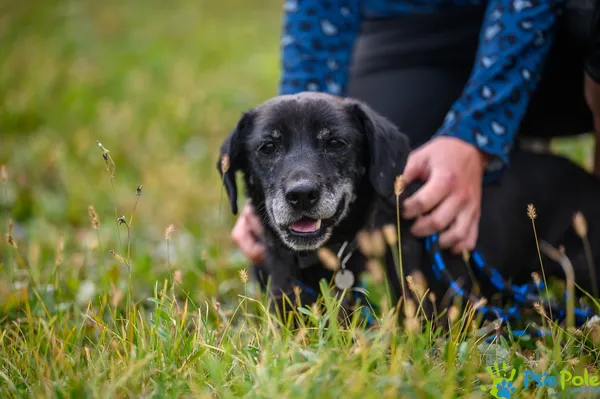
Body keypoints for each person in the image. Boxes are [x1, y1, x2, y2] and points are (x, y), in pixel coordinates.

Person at [231, 0, 600, 266]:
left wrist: (475, 135)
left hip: (560, 21)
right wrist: (279, 163)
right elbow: (317, 16)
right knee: (382, 160)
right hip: (415, 25)